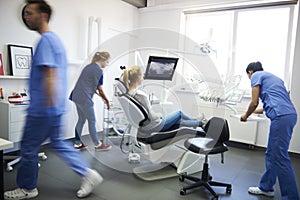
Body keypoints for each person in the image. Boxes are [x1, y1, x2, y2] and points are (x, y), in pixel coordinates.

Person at [4, 1, 103, 199]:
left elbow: (50, 74)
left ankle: (27, 188)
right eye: (25, 13)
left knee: (28, 147)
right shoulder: (54, 40)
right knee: (58, 143)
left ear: (43, 15)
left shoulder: (46, 41)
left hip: (44, 108)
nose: (26, 16)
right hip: (54, 107)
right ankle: (88, 173)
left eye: (29, 13)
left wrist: (46, 105)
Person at [240, 61, 299, 200]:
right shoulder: (274, 79)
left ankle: (291, 197)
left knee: (280, 157)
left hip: (281, 117)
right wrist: (253, 112)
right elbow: (268, 105)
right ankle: (266, 187)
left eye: (248, 76)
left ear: (250, 72)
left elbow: (254, 102)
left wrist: (245, 115)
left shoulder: (256, 75)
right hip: (289, 115)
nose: (250, 79)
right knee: (272, 154)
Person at [122, 65, 206, 134]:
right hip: (155, 126)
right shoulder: (141, 95)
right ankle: (197, 121)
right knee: (179, 113)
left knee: (179, 122)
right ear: (138, 78)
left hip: (144, 127)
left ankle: (198, 123)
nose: (143, 77)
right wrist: (160, 116)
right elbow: (151, 116)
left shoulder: (129, 93)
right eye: (142, 75)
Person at [69, 52, 111, 151]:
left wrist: (99, 95)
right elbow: (100, 89)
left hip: (76, 96)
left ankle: (78, 143)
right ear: (103, 60)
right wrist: (107, 100)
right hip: (84, 97)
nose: (107, 64)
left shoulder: (89, 67)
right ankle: (97, 144)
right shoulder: (98, 70)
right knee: (92, 121)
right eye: (107, 61)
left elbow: (87, 84)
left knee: (81, 120)